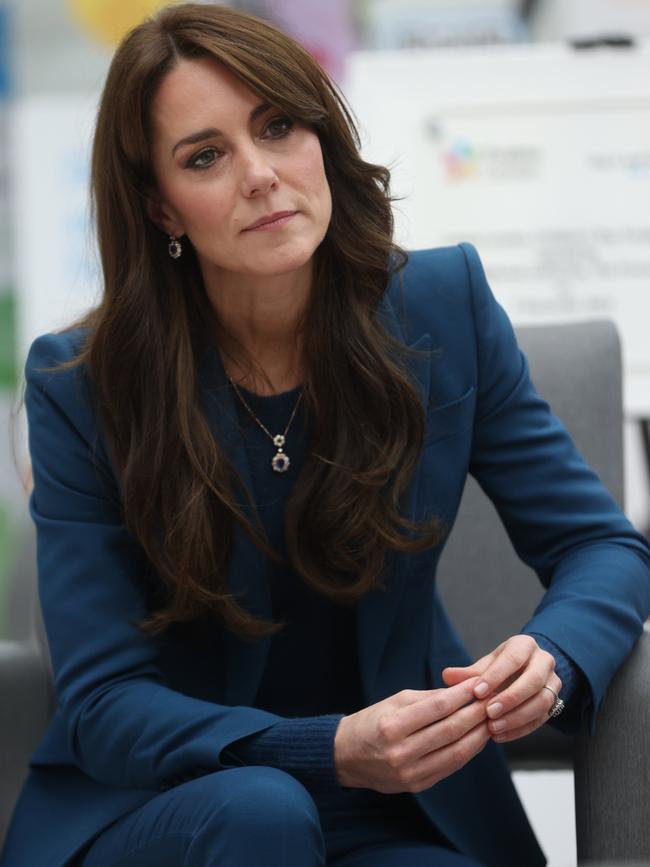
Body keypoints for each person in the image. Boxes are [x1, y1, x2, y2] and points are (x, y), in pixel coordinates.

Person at [2, 4, 650, 866]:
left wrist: (556, 655)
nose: (261, 175)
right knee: (262, 811)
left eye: (278, 126)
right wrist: (328, 747)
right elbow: (104, 701)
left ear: (321, 135)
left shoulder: (443, 309)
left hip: (393, 815)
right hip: (173, 809)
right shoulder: (83, 384)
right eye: (206, 156)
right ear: (162, 209)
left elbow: (601, 545)